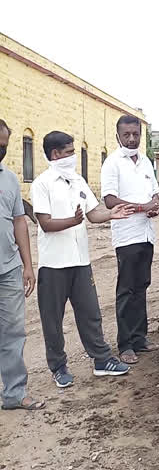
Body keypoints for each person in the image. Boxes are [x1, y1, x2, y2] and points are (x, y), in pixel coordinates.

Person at [32, 130, 133, 387]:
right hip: (54, 264)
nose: (73, 157)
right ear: (55, 154)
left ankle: (101, 359)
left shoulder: (77, 180)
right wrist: (71, 221)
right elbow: (44, 223)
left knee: (90, 312)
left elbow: (93, 213)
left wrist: (112, 214)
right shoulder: (42, 183)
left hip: (80, 261)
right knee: (52, 319)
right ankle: (58, 367)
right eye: (69, 152)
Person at [100, 115, 159, 365]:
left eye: (136, 134)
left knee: (142, 286)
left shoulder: (146, 161)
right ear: (117, 136)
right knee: (126, 290)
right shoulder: (112, 163)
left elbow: (154, 193)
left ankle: (140, 338)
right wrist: (141, 207)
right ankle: (125, 344)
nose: (132, 139)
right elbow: (109, 200)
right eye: (126, 134)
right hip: (126, 236)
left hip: (146, 234)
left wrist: (155, 205)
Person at [0, 119, 44, 410]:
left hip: (9, 269)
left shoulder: (10, 179)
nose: (0, 150)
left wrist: (28, 265)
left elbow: (19, 222)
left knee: (13, 333)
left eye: (3, 146)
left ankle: (15, 392)